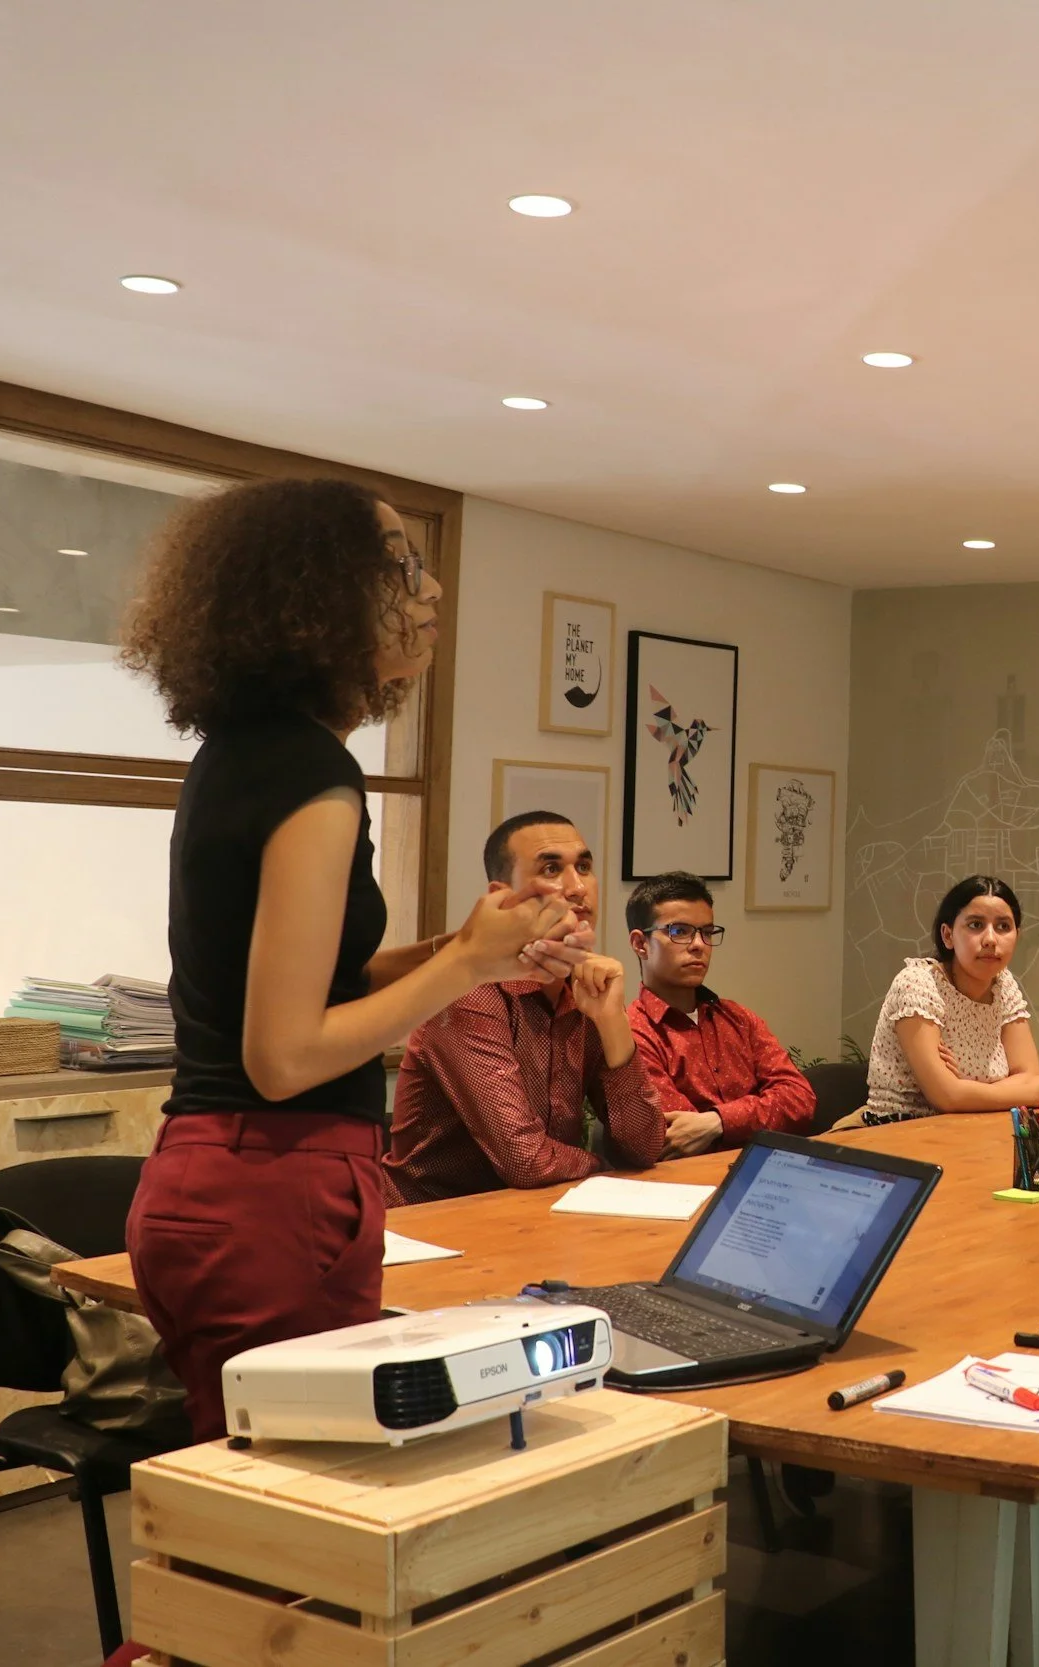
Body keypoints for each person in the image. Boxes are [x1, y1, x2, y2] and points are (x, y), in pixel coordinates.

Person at [117, 478, 575, 1442]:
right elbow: (283, 1055)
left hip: (217, 1177)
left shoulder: (244, 753)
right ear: (319, 597)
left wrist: (468, 945)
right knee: (292, 1520)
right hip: (273, 1189)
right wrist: (460, 972)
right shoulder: (313, 773)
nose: (433, 590)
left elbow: (321, 981)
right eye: (403, 566)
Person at [382, 811, 665, 1202]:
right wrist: (605, 1169)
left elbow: (645, 1146)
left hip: (537, 1215)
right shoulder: (470, 992)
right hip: (429, 1223)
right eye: (551, 869)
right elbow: (526, 1160)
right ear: (503, 896)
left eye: (584, 866)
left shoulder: (586, 987)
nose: (577, 887)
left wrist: (612, 1022)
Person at [625, 870, 815, 1154]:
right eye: (679, 931)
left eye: (707, 932)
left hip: (762, 1174)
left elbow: (800, 1100)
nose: (699, 945)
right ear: (641, 944)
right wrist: (757, 1115)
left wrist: (717, 1123)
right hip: (688, 1185)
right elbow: (679, 1136)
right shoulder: (633, 1031)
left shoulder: (738, 1019)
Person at [858, 875, 1039, 1125]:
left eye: (1003, 927)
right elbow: (947, 1097)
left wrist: (964, 1088)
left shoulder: (1003, 984)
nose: (990, 939)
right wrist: (1023, 1091)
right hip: (898, 1129)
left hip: (972, 1127)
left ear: (1017, 935)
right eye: (975, 925)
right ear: (948, 935)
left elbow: (1031, 1075)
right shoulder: (917, 983)